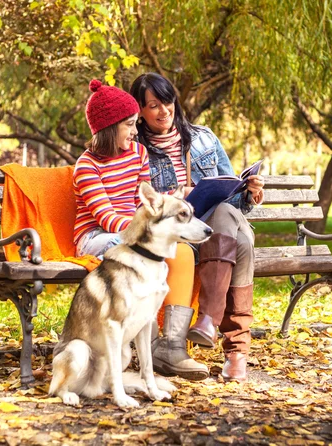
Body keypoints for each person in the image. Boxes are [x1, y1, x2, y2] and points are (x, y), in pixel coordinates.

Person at [130, 73, 265, 382]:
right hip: (179, 236)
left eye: (167, 102)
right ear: (140, 111)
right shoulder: (134, 148)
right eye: (153, 105)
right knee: (242, 245)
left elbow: (235, 200)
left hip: (217, 226)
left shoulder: (204, 138)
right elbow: (137, 204)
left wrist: (251, 192)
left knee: (226, 212)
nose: (164, 110)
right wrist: (176, 200)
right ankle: (235, 354)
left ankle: (208, 320)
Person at [74, 79, 209, 381]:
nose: (136, 132)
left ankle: (171, 347)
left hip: (134, 232)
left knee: (181, 249)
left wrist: (166, 206)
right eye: (130, 125)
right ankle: (147, 342)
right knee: (148, 252)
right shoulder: (86, 166)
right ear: (109, 128)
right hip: (97, 237)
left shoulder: (137, 153)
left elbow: (144, 203)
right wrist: (145, 232)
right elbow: (106, 217)